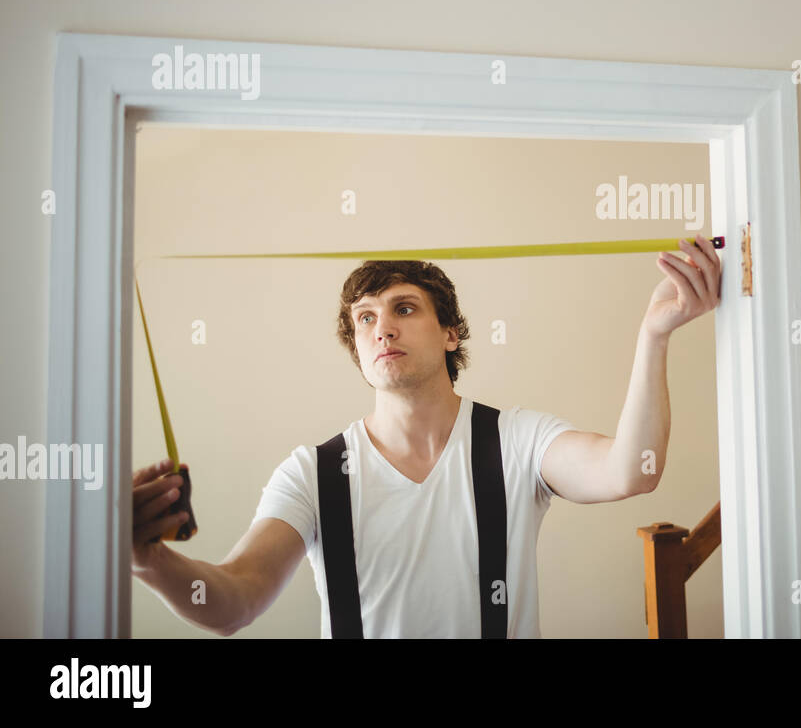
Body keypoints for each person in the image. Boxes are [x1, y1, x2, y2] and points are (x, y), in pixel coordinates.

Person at [131, 234, 722, 637]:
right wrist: (148, 559)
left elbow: (632, 470)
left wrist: (655, 336)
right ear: (358, 350)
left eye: (404, 308)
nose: (382, 326)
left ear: (451, 335)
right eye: (366, 317)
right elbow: (233, 600)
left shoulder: (516, 441)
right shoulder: (311, 473)